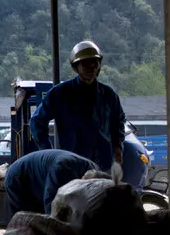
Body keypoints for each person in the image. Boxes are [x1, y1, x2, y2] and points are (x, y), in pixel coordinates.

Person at [30, 40, 126, 172]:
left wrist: (117, 145)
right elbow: (37, 121)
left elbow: (118, 121)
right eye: (86, 64)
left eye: (95, 63)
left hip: (103, 166)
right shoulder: (61, 94)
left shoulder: (108, 95)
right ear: (76, 67)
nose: (91, 67)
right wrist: (48, 153)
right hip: (72, 166)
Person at [3, 149, 100, 215]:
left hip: (37, 175)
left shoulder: (96, 171)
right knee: (25, 220)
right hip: (17, 176)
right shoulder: (63, 169)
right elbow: (52, 203)